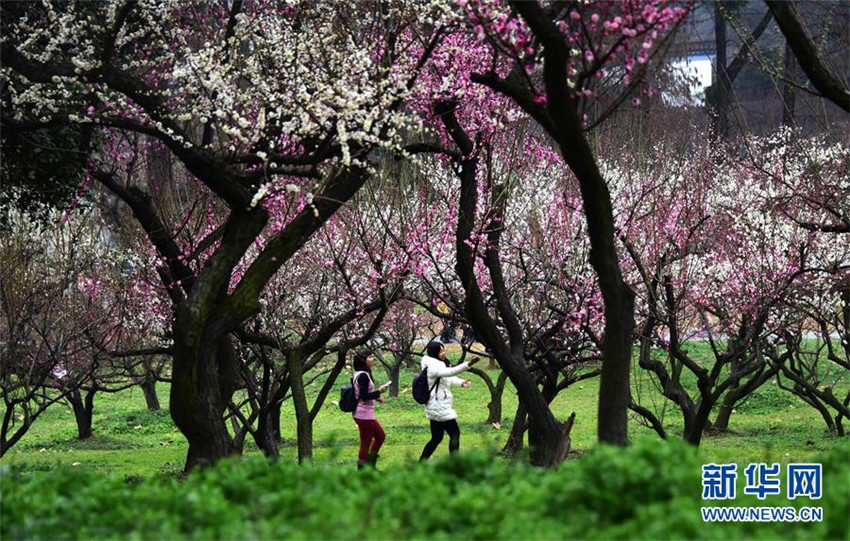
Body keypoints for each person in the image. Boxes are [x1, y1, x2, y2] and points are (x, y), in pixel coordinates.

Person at [419, 341, 479, 461]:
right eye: (440, 351)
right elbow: (450, 372)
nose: (443, 353)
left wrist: (461, 382)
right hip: (439, 407)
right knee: (455, 434)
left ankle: (422, 461)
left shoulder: (440, 364)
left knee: (436, 438)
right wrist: (469, 364)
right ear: (434, 353)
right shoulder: (432, 366)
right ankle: (454, 463)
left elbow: (449, 377)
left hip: (437, 405)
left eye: (443, 350)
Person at [352, 351, 389, 469]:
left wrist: (378, 398)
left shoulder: (360, 374)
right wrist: (380, 391)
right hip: (363, 415)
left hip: (365, 414)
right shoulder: (363, 375)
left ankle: (370, 466)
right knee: (365, 444)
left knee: (380, 437)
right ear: (363, 360)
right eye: (370, 357)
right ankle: (363, 470)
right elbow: (363, 396)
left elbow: (363, 394)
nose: (372, 359)